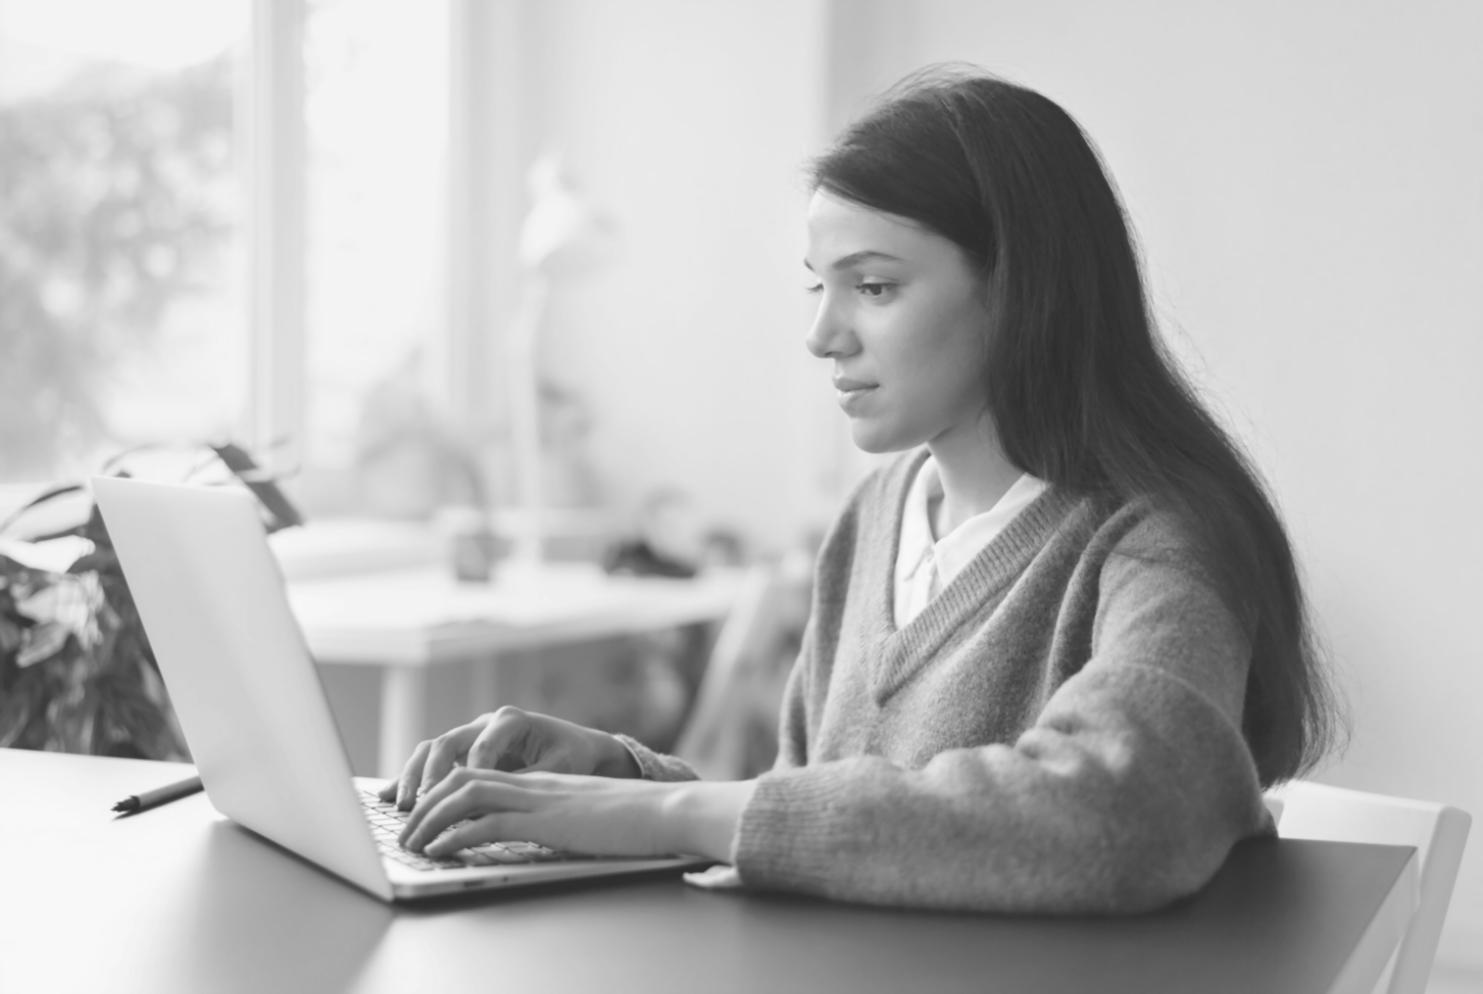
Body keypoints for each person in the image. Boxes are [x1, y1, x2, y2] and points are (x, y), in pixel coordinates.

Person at [382, 64, 1342, 913]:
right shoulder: (874, 519)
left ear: (1022, 291)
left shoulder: (1161, 541)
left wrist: (660, 809)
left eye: (874, 287)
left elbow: (1130, 812)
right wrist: (616, 778)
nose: (823, 335)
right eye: (820, 287)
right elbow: (816, 807)